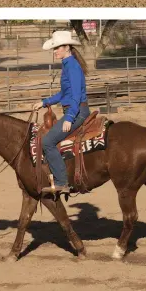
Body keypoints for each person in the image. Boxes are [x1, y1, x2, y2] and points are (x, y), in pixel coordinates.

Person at [33, 29, 90, 194]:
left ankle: (61, 182)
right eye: (54, 48)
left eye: (57, 48)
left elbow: (76, 95)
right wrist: (44, 102)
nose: (55, 51)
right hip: (74, 109)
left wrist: (69, 117)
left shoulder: (72, 66)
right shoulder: (68, 65)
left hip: (77, 111)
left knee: (47, 142)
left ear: (66, 47)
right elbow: (64, 94)